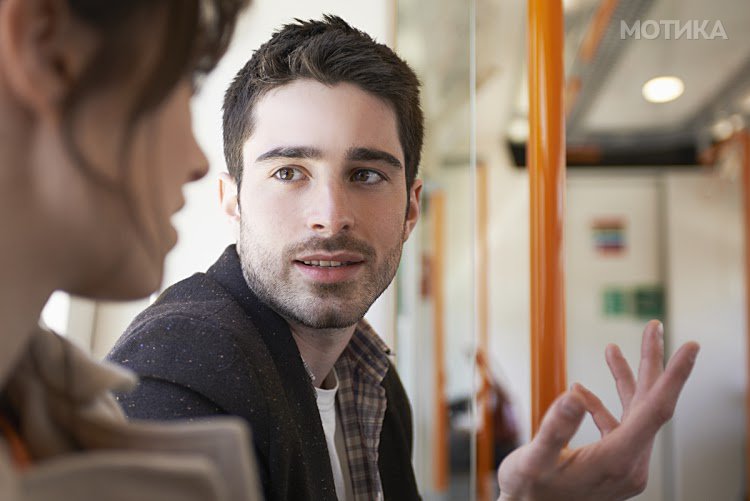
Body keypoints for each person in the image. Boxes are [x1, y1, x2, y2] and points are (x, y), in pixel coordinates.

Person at [107, 15, 700, 501]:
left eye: (366, 174)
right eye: (289, 172)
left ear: (411, 207)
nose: (331, 215)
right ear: (231, 200)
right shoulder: (177, 369)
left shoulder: (374, 378)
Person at [0, 0, 263, 499]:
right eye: (188, 80)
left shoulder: (47, 416)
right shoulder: (181, 354)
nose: (198, 161)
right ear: (51, 50)